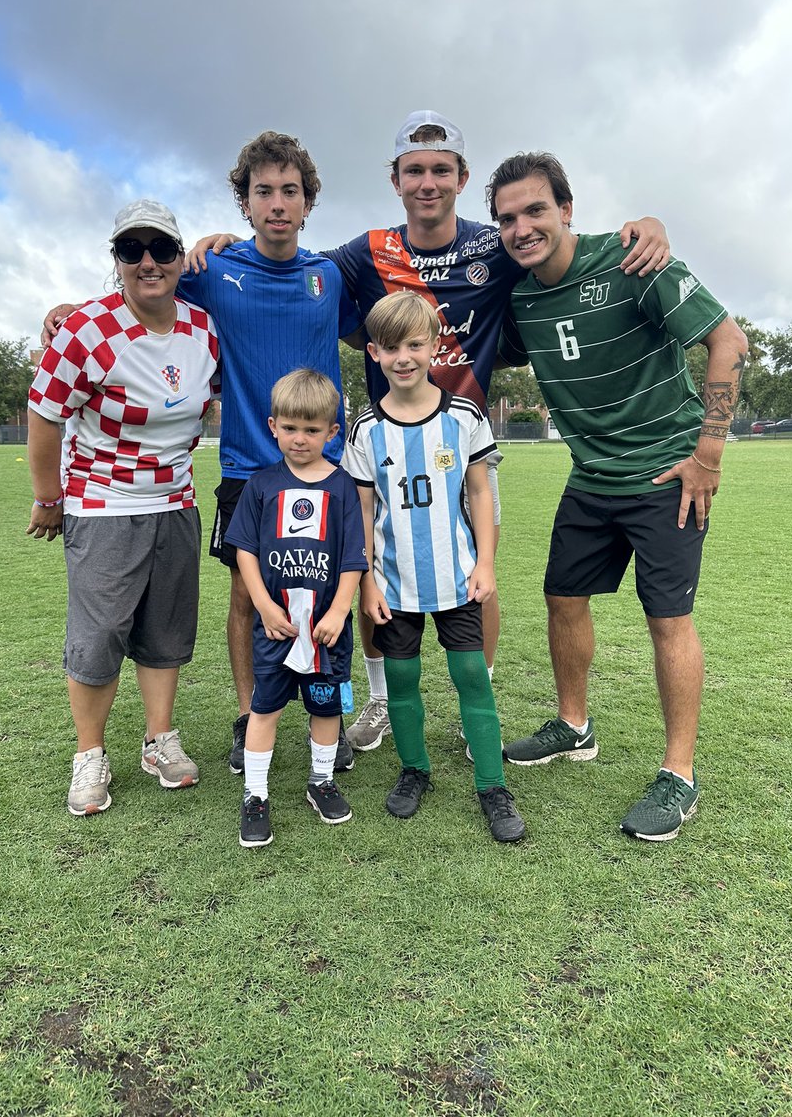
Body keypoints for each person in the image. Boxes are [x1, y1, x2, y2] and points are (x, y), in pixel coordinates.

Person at [191, 111, 670, 756]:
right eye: (414, 170)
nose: (427, 181)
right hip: (379, 449)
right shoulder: (359, 256)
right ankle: (378, 707)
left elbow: (556, 239)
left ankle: (482, 704)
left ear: (461, 177)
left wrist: (642, 227)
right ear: (395, 180)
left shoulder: (494, 246)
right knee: (365, 574)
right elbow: (241, 272)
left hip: (466, 448)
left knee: (477, 573)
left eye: (441, 169)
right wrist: (217, 242)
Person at [42, 133, 361, 776]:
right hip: (248, 468)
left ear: (308, 202)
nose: (277, 204)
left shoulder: (331, 275)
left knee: (333, 589)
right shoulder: (213, 270)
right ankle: (251, 716)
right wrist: (68, 311)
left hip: (328, 466)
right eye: (263, 191)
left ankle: (330, 714)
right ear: (244, 202)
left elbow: (381, 335)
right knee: (248, 596)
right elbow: (142, 288)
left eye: (289, 192)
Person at [487, 152, 748, 842]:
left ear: (566, 209)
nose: (522, 228)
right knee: (561, 598)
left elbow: (728, 341)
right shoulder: (520, 297)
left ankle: (680, 775)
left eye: (535, 210)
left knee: (668, 621)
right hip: (590, 477)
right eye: (508, 218)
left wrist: (709, 456)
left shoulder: (635, 258)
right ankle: (575, 727)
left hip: (667, 476)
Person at [27, 200, 219, 816]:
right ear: (116, 261)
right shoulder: (85, 330)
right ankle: (90, 755)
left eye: (161, 249)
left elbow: (206, 399)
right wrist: (47, 497)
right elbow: (44, 413)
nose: (147, 262)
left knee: (165, 630)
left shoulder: (201, 327)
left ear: (178, 258)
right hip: (103, 503)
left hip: (176, 500)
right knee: (100, 633)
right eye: (130, 250)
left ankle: (159, 740)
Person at [342, 292, 526, 844]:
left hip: (456, 576)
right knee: (401, 678)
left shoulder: (464, 416)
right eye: (392, 347)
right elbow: (363, 511)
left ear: (435, 347)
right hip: (394, 583)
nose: (404, 357)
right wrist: (369, 578)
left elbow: (478, 493)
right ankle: (414, 769)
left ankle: (492, 784)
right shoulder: (366, 429)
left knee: (471, 675)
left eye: (415, 344)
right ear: (374, 353)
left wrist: (487, 564)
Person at [224, 370, 367, 847]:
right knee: (264, 709)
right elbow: (244, 550)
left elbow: (353, 556)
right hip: (277, 629)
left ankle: (321, 781)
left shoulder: (343, 487)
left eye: (311, 429)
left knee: (325, 709)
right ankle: (256, 795)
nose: (299, 438)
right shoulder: (261, 485)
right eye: (290, 428)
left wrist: (339, 611)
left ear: (332, 431)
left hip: (324, 631)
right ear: (272, 426)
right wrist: (263, 606)